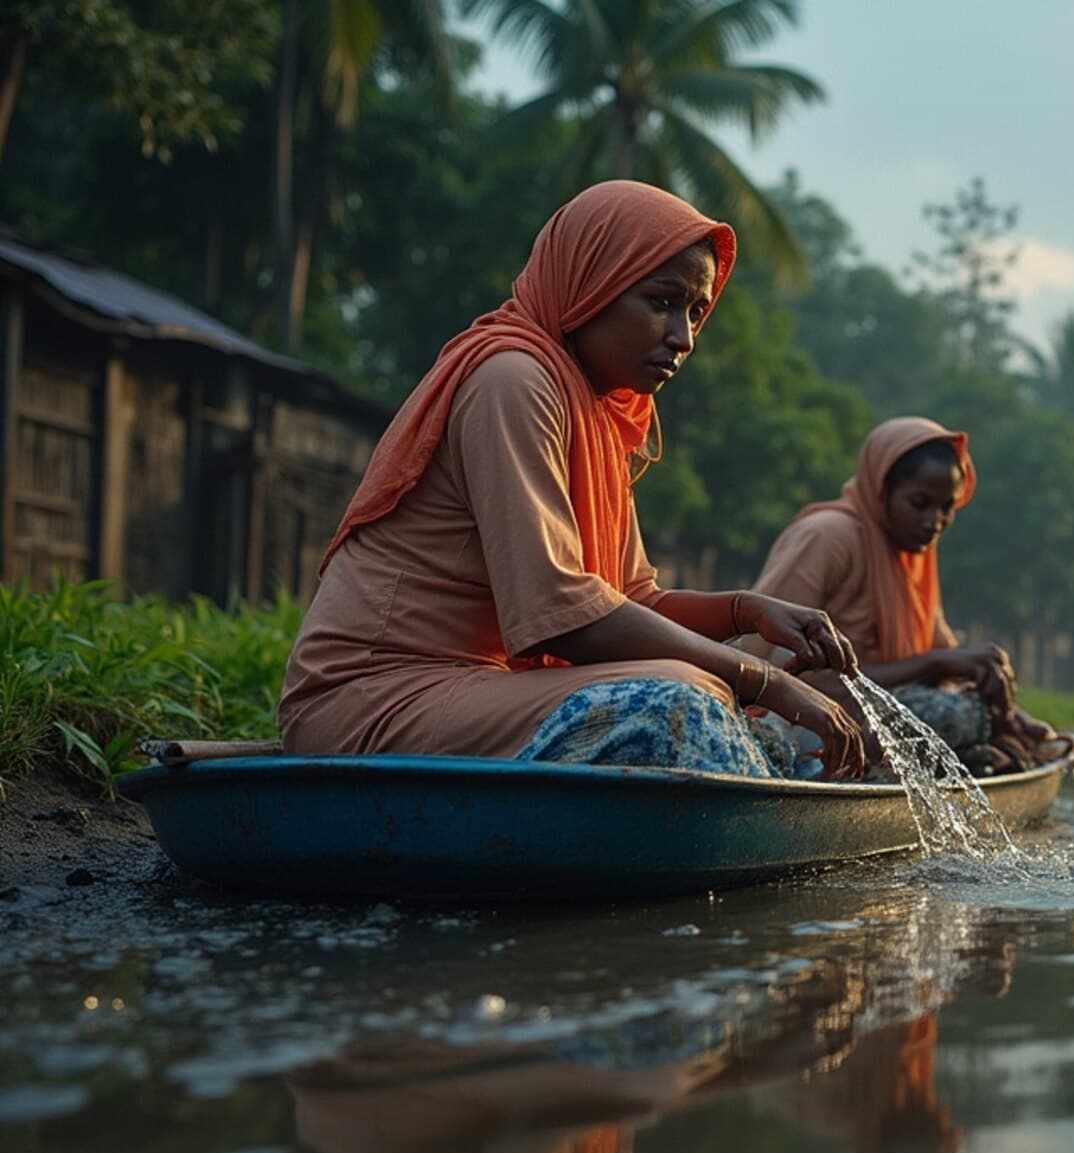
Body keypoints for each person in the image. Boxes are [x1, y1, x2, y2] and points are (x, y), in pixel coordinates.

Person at [277, 182, 865, 779]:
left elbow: (633, 602)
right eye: (662, 301)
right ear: (592, 286)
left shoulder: (599, 415)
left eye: (695, 312)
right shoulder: (512, 381)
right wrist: (761, 679)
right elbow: (562, 615)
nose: (683, 338)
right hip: (371, 701)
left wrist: (746, 611)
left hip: (473, 692)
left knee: (698, 692)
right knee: (681, 700)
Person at [749, 416, 1059, 774]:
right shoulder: (828, 537)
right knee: (958, 715)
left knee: (977, 702)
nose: (935, 521)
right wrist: (936, 664)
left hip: (876, 709)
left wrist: (1011, 714)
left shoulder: (912, 558)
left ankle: (978, 754)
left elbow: (943, 650)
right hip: (807, 711)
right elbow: (777, 656)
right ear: (882, 491)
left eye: (946, 507)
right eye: (920, 503)